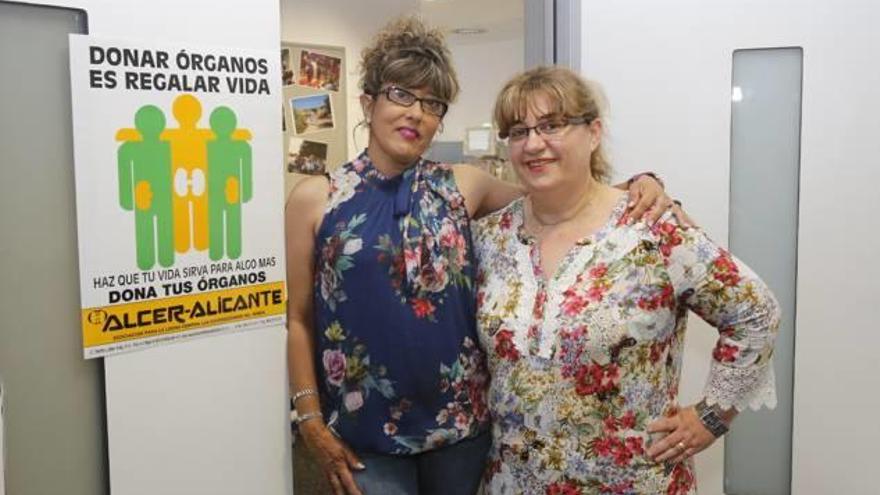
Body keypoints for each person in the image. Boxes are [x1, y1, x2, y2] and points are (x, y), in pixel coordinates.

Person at [285, 17, 675, 495]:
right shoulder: (316, 199)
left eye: (432, 103)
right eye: (401, 95)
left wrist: (641, 185)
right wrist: (308, 419)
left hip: (463, 430)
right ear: (369, 102)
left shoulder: (462, 184)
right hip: (366, 435)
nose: (416, 114)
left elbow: (560, 195)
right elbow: (299, 319)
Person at [473, 65, 781, 494]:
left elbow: (755, 311)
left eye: (552, 125)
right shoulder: (489, 239)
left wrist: (711, 417)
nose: (533, 143)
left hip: (636, 482)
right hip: (514, 482)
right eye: (519, 131)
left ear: (593, 132)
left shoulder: (652, 227)